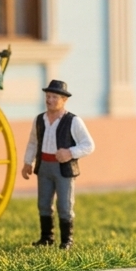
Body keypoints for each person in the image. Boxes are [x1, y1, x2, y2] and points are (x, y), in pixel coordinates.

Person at [20, 80, 95, 249]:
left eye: (54, 97)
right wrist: (27, 162)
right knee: (43, 203)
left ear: (64, 100)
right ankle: (47, 237)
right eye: (48, 96)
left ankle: (66, 240)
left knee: (65, 205)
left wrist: (70, 153)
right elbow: (33, 142)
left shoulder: (73, 121)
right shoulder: (39, 120)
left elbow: (89, 145)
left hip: (63, 169)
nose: (50, 100)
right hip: (44, 166)